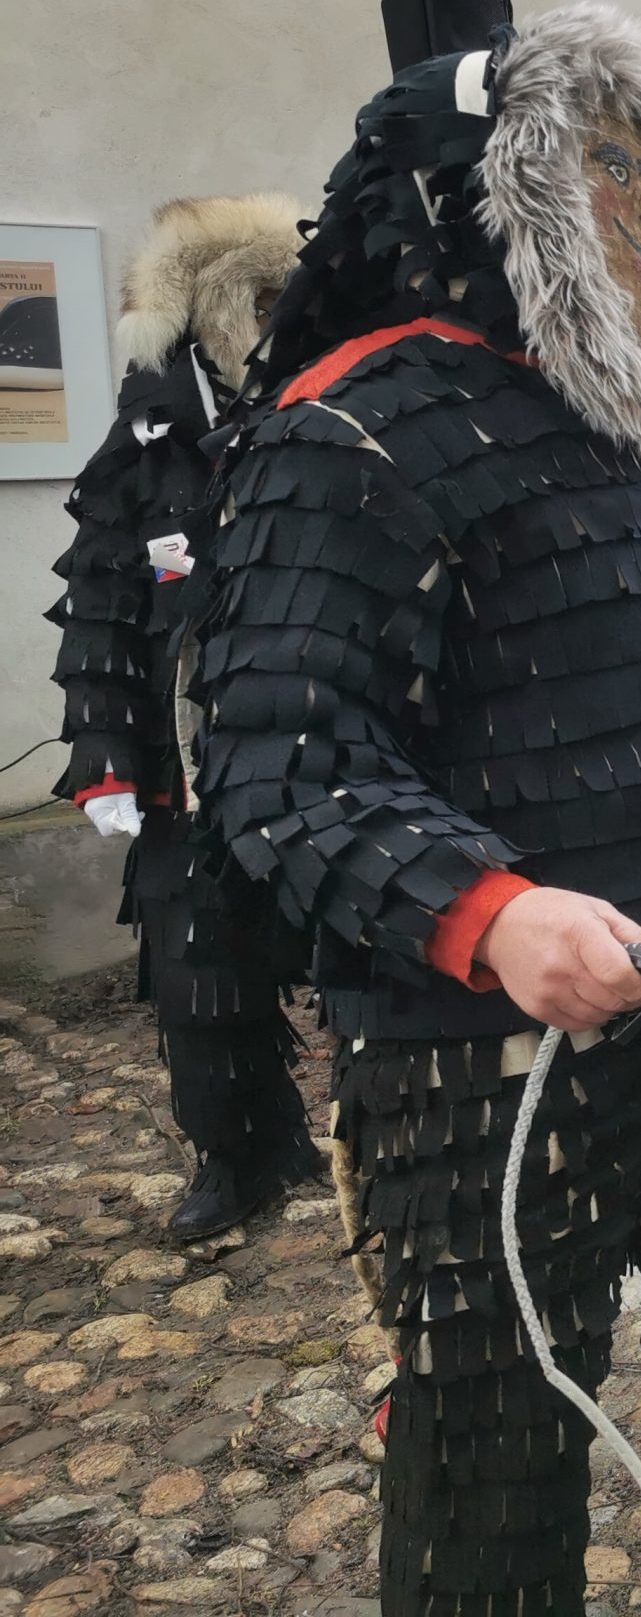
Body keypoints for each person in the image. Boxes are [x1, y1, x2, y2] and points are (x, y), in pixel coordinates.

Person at [188, 4, 641, 1616]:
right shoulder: (348, 428)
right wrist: (489, 913)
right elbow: (278, 764)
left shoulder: (637, 423)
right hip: (476, 1063)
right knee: (495, 1444)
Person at [48, 193, 326, 1241]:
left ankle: (401, 1143)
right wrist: (103, 754)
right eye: (255, 298)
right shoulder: (149, 438)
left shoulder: (334, 407)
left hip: (328, 742)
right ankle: (241, 1153)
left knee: (373, 955)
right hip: (189, 756)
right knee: (199, 972)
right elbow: (103, 599)